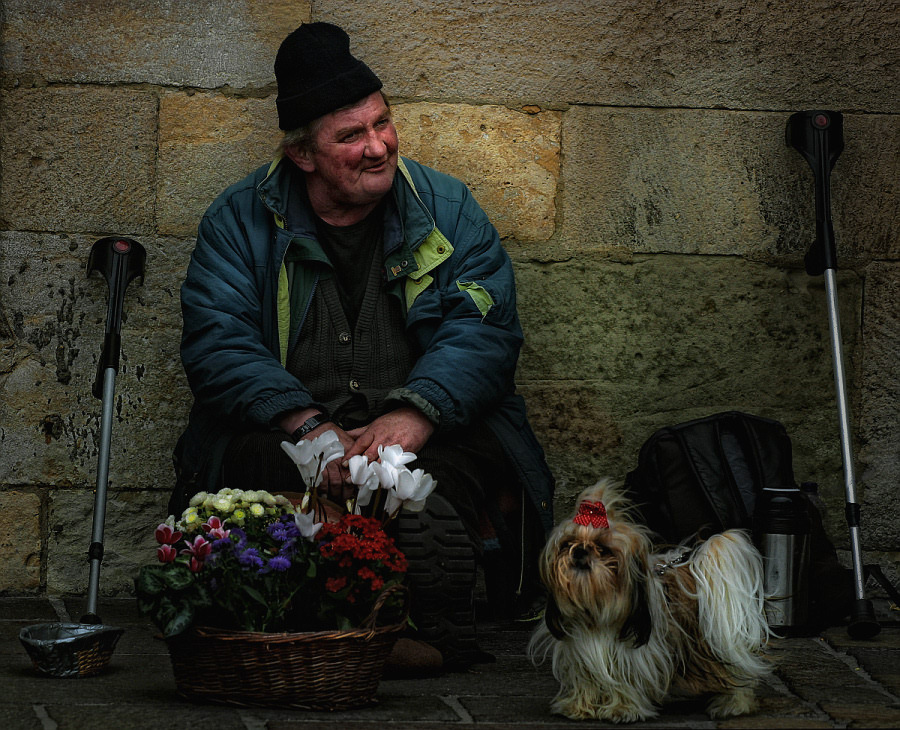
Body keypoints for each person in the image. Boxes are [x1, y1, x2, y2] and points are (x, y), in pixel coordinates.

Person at [170, 21, 555, 670]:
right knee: (263, 477)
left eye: (382, 123)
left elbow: (483, 328)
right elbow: (219, 339)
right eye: (351, 135)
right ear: (302, 154)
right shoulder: (239, 220)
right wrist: (309, 425)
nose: (378, 146)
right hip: (291, 424)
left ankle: (418, 618)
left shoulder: (444, 207)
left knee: (431, 481)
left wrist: (417, 412)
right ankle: (361, 618)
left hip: (424, 424)